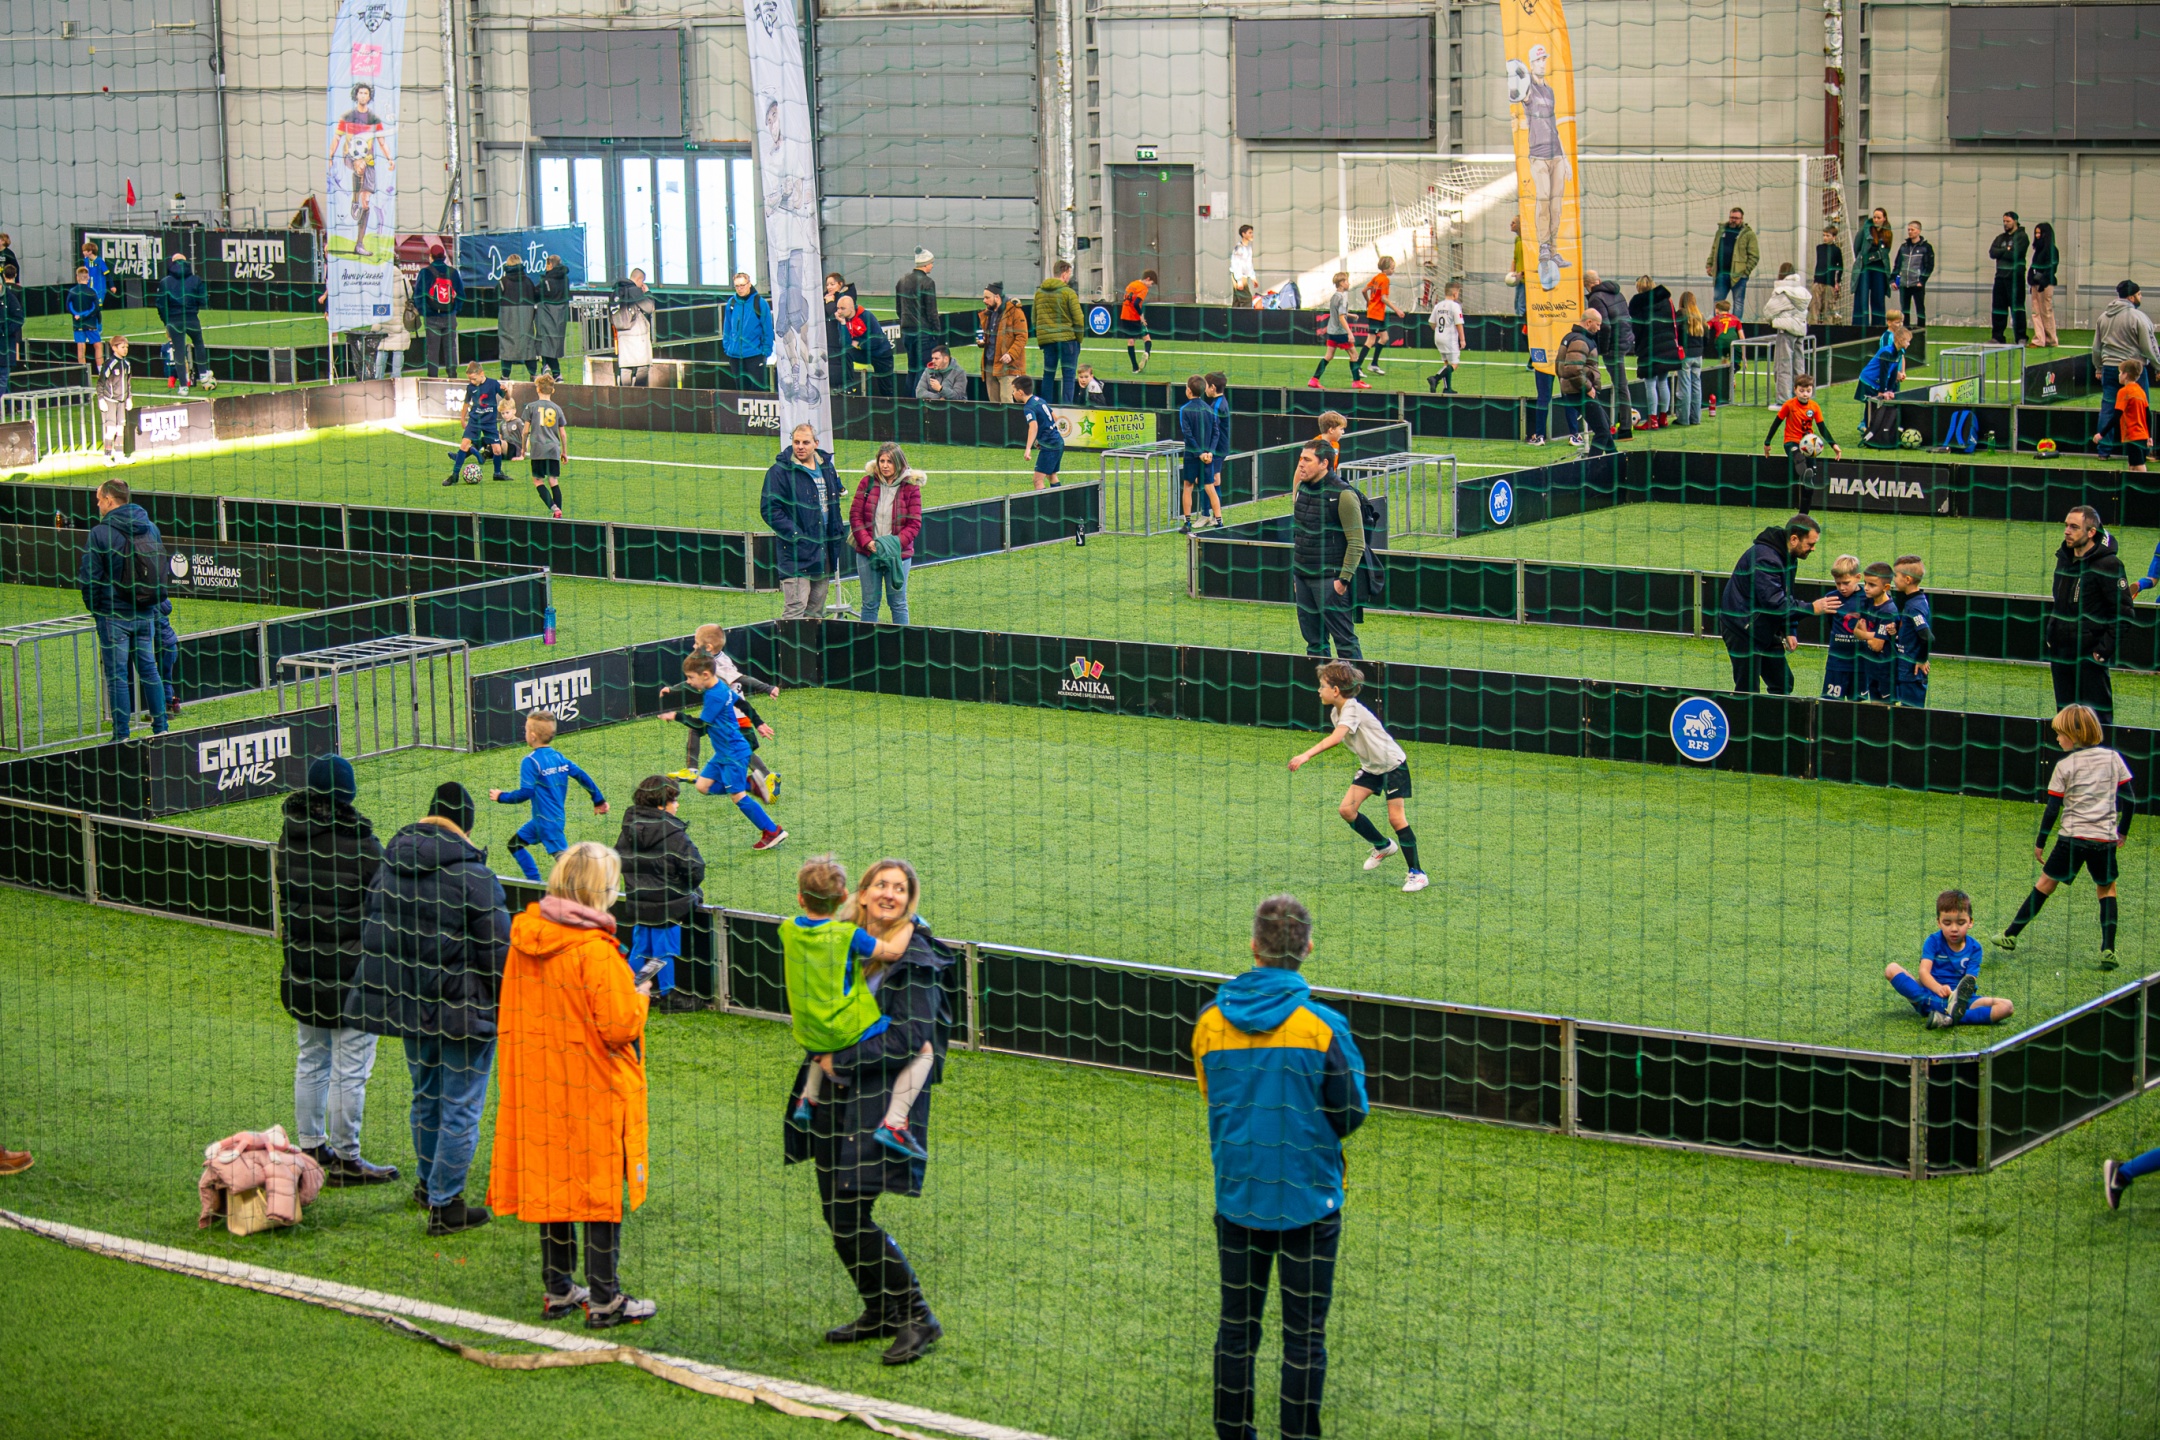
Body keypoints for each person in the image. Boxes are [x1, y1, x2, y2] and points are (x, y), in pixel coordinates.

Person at [1192, 894, 1368, 1440]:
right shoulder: (1324, 1027)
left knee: (1236, 1330)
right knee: (1304, 1339)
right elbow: (1351, 1113)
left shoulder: (1210, 1022)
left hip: (1238, 1196)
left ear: (1253, 946)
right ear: (1308, 948)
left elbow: (1213, 1096)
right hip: (1309, 1201)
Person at [782, 857, 957, 1365]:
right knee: (835, 1213)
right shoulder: (839, 942)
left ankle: (917, 1316)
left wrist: (842, 1060)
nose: (889, 894)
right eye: (881, 884)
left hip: (875, 1104)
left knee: (851, 1213)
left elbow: (910, 1038)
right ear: (859, 894)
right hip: (832, 1097)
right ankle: (880, 1309)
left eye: (900, 888)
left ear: (910, 900)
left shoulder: (917, 959)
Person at [486, 842, 659, 1329]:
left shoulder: (525, 937)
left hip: (541, 1084)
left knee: (554, 1183)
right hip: (591, 1086)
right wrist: (640, 996)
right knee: (599, 1193)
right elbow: (619, 1026)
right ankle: (605, 1300)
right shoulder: (595, 951)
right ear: (599, 889)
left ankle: (558, 1288)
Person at [347, 780, 511, 1236]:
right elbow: (499, 951)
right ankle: (446, 1204)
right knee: (460, 1104)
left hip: (409, 1005)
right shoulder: (475, 876)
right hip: (463, 1011)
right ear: (465, 828)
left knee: (426, 1095)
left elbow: (375, 928)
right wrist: (506, 1004)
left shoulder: (390, 864)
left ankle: (427, 1186)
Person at [278, 754, 399, 1187]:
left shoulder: (289, 836)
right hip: (353, 976)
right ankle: (347, 1159)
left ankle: (312, 1148)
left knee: (311, 1058)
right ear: (348, 795)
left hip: (303, 968)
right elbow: (386, 905)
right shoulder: (363, 845)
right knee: (350, 1068)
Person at [781, 855, 931, 1152]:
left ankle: (808, 1098)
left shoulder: (787, 929)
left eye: (898, 889)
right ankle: (894, 1124)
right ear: (844, 896)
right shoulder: (848, 935)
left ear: (800, 898)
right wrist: (912, 923)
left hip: (807, 1030)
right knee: (922, 1050)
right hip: (845, 1031)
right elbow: (892, 952)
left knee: (821, 1038)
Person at [1995, 704, 2132, 970]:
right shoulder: (2113, 758)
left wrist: (2040, 842)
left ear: (2074, 734)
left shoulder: (2065, 765)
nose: (2057, 738)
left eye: (2060, 733)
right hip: (2104, 840)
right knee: (2107, 890)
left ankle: (2010, 935)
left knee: (2045, 884)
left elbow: (2052, 809)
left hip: (2071, 839)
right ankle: (2108, 949)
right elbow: (2131, 801)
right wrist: (2122, 831)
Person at [1290, 661, 1427, 892]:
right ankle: (1383, 846)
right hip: (1371, 768)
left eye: (1322, 686)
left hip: (1393, 766)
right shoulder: (1336, 712)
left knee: (1396, 819)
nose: (1319, 690)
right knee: (1347, 810)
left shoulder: (1351, 709)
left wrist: (1306, 755)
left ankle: (1418, 873)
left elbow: (1336, 738)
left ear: (1335, 690)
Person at [660, 653, 787, 850]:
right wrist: (759, 723)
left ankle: (772, 831)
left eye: (690, 677)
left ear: (705, 675)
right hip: (722, 753)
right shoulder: (719, 686)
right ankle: (751, 784)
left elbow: (700, 726)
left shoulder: (714, 695)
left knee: (737, 796)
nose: (688, 682)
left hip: (734, 753)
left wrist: (676, 716)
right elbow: (742, 703)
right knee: (702, 786)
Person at [76, 478, 170, 741]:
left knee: (117, 676)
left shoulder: (100, 533)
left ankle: (121, 736)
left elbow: (90, 578)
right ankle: (161, 729)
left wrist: (97, 609)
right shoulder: (150, 527)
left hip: (113, 615)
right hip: (145, 611)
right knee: (149, 670)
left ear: (109, 500)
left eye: (99, 500)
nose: (97, 505)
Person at [1719, 514, 1841, 694]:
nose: (1813, 549)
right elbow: (1774, 603)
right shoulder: (1765, 559)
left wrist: (1789, 630)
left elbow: (1786, 593)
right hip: (1741, 628)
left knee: (1783, 683)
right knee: (1748, 690)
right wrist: (1812, 608)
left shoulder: (1789, 555)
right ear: (1794, 539)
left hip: (1763, 625)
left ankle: (1772, 713)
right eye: (1810, 544)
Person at [616, 776, 706, 1011]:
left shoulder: (628, 828)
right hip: (668, 904)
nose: (677, 805)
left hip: (639, 901)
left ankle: (628, 990)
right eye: (674, 800)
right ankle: (669, 996)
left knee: (640, 947)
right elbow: (695, 869)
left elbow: (618, 859)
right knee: (664, 950)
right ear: (661, 804)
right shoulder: (673, 834)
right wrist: (685, 889)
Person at [490, 709, 608, 883]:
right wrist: (598, 800)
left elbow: (525, 792)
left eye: (525, 730)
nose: (525, 733)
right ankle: (534, 883)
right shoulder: (558, 757)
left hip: (547, 823)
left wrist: (501, 796)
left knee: (568, 867)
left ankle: (591, 883)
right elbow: (582, 776)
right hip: (545, 820)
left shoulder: (530, 761)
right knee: (515, 844)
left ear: (532, 735)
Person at [1885, 890, 2012, 1030]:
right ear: (1939, 922)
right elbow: (1923, 972)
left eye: (1961, 923)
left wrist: (1955, 997)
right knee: (1891, 969)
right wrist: (1938, 988)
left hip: (1962, 1001)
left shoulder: (1975, 948)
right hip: (1930, 995)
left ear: (1970, 922)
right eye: (1947, 923)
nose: (1954, 929)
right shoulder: (1933, 941)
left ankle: (1950, 1018)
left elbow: (1970, 980)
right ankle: (1946, 1012)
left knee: (2006, 1006)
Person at [2046, 506, 2127, 721]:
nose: (2067, 531)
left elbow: (2124, 614)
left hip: (2090, 658)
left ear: (2091, 532)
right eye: (2066, 525)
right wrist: (2052, 635)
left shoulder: (2109, 565)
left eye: (2074, 527)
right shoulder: (2064, 558)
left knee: (2096, 723)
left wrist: (2101, 652)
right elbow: (2059, 603)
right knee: (2065, 722)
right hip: (2061, 655)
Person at [760, 423, 847, 621]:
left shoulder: (827, 467)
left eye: (805, 442)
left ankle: (811, 643)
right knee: (795, 610)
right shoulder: (779, 471)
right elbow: (770, 510)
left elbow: (833, 503)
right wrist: (797, 536)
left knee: (816, 611)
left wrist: (836, 531)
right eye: (796, 442)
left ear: (816, 443)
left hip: (824, 549)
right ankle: (789, 643)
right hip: (795, 551)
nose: (800, 446)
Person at [1290, 442, 1365, 660]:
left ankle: (1355, 682)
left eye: (1307, 460)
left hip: (1330, 581)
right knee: (1314, 643)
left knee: (1345, 642)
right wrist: (1297, 575)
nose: (1301, 464)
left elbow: (1356, 542)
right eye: (1301, 459)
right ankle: (1320, 681)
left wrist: (1343, 580)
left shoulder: (1343, 494)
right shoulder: (1301, 488)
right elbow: (1300, 534)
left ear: (1324, 463)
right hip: (1303, 578)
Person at [849, 442, 923, 624]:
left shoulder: (911, 486)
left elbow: (914, 523)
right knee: (869, 603)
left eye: (890, 461)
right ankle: (868, 641)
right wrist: (867, 542)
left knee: (898, 603)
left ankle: (902, 641)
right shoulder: (867, 482)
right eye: (881, 461)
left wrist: (892, 546)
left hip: (898, 555)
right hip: (867, 553)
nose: (885, 465)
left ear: (899, 462)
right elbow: (855, 515)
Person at [2092, 282, 2160, 461]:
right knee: (2140, 408)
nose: (2141, 297)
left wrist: (2099, 367)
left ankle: (2103, 451)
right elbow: (2149, 346)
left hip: (2109, 368)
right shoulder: (2139, 317)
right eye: (2139, 294)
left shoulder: (2103, 317)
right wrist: (2158, 366)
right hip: (2133, 370)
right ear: (2131, 297)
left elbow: (2096, 348)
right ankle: (2142, 450)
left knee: (2108, 409)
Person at [1763, 374, 1839, 507]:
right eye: (1802, 390)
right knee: (1799, 458)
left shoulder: (1814, 407)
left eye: (1808, 391)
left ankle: (1805, 507)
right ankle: (1805, 477)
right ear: (1795, 390)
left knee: (1812, 474)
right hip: (1791, 442)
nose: (1805, 394)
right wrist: (1767, 443)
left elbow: (1822, 428)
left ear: (1812, 391)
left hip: (1810, 444)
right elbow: (1776, 423)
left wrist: (1834, 445)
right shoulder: (1789, 405)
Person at [1554, 313, 1615, 456]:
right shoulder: (1580, 341)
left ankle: (1616, 460)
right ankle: (1593, 466)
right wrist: (1587, 387)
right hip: (1580, 392)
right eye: (1597, 325)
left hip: (1573, 391)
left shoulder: (1571, 337)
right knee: (1602, 430)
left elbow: (1559, 367)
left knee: (1605, 426)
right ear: (1588, 322)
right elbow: (1573, 369)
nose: (1599, 329)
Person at [441, 360, 507, 486]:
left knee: (497, 449)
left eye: (474, 379)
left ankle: (497, 473)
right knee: (464, 444)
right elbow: (466, 403)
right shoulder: (471, 387)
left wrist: (507, 391)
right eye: (470, 379)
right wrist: (462, 418)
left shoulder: (493, 384)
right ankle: (454, 475)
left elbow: (507, 398)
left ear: (481, 373)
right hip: (475, 420)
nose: (472, 381)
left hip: (489, 422)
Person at [1630, 277, 1682, 427]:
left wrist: (1637, 345)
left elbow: (1637, 328)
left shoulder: (1638, 303)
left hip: (1649, 347)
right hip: (1667, 345)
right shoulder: (1666, 300)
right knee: (1663, 382)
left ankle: (1652, 419)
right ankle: (1663, 417)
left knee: (1650, 384)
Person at [1032, 260, 1086, 404]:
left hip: (1048, 341)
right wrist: (1078, 339)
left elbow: (1034, 318)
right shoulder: (1068, 293)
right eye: (1069, 273)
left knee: (1048, 374)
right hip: (1068, 340)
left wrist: (1043, 336)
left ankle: (1046, 407)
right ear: (1064, 273)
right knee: (1068, 376)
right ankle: (1067, 408)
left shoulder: (1040, 293)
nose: (1069, 277)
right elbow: (1079, 319)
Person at [521, 373, 571, 518]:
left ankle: (554, 508)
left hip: (538, 449)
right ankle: (558, 515)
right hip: (553, 449)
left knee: (537, 480)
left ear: (537, 389)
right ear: (553, 390)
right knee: (553, 480)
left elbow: (525, 431)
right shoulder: (557, 409)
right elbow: (563, 434)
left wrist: (523, 448)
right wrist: (564, 452)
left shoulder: (530, 407)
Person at [1850, 562, 1901, 703]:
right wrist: (1873, 635)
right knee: (1875, 708)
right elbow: (1856, 631)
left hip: (1886, 670)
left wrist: (1865, 634)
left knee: (1886, 709)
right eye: (1865, 583)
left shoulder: (1888, 611)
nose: (1866, 588)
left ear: (1886, 587)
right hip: (1871, 666)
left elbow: (1877, 645)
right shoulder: (1868, 603)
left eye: (1872, 585)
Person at [157, 254, 207, 394]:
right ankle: (203, 374)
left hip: (174, 320)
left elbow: (161, 304)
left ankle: (183, 386)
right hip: (191, 318)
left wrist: (166, 321)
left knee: (179, 352)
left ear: (172, 263)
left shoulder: (165, 282)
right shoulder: (196, 279)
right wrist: (193, 310)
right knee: (199, 343)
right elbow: (203, 300)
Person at [1763, 263, 1812, 407]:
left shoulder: (1782, 291)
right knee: (1799, 365)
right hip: (1800, 329)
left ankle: (1783, 400)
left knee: (1783, 365)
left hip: (1786, 330)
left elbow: (1768, 311)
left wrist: (1773, 320)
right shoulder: (1802, 291)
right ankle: (1802, 396)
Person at [1820, 555, 1865, 701]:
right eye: (1838, 583)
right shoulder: (1831, 598)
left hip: (1860, 665)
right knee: (1831, 704)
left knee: (1857, 706)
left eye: (1846, 583)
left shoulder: (1868, 598)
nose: (1842, 588)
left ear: (1858, 577)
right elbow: (1830, 622)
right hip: (1836, 663)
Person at [1889, 555, 1932, 707]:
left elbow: (1927, 636)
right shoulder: (1914, 600)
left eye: (1896, 575)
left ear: (1907, 579)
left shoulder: (1914, 607)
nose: (1893, 579)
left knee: (1911, 715)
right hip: (1905, 670)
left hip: (1912, 674)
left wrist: (1921, 659)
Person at [415, 244, 463, 379]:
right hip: (449, 316)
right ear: (444, 257)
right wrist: (454, 310)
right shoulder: (453, 272)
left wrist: (425, 312)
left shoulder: (425, 272)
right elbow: (461, 295)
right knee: (451, 348)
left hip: (432, 317)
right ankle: (452, 376)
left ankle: (432, 378)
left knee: (432, 350)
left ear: (431, 256)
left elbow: (418, 295)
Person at [722, 272, 776, 391]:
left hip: (755, 355)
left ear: (749, 284)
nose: (740, 289)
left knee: (757, 392)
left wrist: (765, 352)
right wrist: (727, 347)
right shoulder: (731, 303)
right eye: (737, 286)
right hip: (735, 357)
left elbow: (767, 329)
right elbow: (727, 327)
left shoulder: (760, 303)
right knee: (740, 392)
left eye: (742, 285)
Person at [2095, 357, 2149, 474]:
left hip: (2133, 434)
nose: (2119, 375)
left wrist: (2101, 434)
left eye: (2120, 373)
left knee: (2138, 465)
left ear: (2126, 375)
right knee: (2133, 465)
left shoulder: (2124, 392)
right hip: (2142, 434)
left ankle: (2146, 483)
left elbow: (2116, 416)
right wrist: (2149, 436)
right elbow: (2148, 414)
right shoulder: (2141, 391)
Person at [1179, 377, 1219, 533]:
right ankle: (1218, 520)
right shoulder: (1209, 409)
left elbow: (1187, 434)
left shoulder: (1185, 410)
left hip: (1192, 454)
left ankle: (1187, 523)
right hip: (1208, 456)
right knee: (1210, 486)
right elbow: (1216, 432)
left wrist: (1199, 453)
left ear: (1189, 390)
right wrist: (1210, 452)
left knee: (1188, 486)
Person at [977, 282, 1028, 404]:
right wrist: (983, 341)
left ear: (997, 297)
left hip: (1008, 366)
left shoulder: (1015, 312)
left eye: (987, 297)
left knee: (1006, 401)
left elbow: (1022, 337)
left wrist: (1011, 354)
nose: (984, 301)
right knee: (994, 403)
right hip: (990, 365)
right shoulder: (988, 314)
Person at [1704, 206, 1760, 317]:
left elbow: (1754, 256)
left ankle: (1735, 326)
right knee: (1718, 302)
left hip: (1738, 275)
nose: (1733, 220)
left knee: (1738, 303)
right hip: (1721, 274)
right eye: (1731, 217)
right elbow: (1714, 250)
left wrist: (1745, 271)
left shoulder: (1748, 234)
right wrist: (1709, 265)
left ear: (1741, 219)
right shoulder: (1721, 231)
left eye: (1736, 218)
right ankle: (1718, 325)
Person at [1311, 272, 1363, 390]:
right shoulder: (1343, 298)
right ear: (1342, 283)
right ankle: (1356, 381)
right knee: (1354, 355)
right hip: (1340, 332)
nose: (1349, 283)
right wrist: (1349, 333)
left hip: (1331, 331)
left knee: (1329, 356)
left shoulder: (1335, 296)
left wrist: (1350, 315)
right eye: (1347, 281)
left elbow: (1337, 312)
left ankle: (1314, 380)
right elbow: (1341, 317)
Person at [836, 294, 894, 393]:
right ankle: (848, 387)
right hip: (865, 354)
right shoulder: (842, 320)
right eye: (838, 308)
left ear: (851, 308)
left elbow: (877, 339)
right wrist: (842, 323)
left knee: (886, 389)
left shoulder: (866, 316)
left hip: (881, 354)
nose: (839, 311)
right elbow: (845, 344)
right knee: (845, 352)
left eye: (842, 308)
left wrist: (859, 344)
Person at [494, 254, 540, 380]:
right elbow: (535, 298)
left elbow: (495, 301)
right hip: (525, 320)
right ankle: (533, 374)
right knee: (528, 347)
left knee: (507, 347)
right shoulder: (528, 281)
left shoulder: (502, 282)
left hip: (507, 320)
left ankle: (505, 376)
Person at [894, 249, 938, 376]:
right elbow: (931, 311)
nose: (932, 265)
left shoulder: (902, 280)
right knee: (923, 371)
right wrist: (936, 331)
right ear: (925, 264)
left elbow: (899, 308)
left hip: (907, 331)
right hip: (923, 332)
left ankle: (909, 390)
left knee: (912, 369)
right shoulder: (928, 282)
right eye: (931, 263)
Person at [1990, 211, 2030, 345]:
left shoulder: (2022, 237)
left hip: (2015, 278)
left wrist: (2003, 253)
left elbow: (2015, 254)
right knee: (1998, 309)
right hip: (2000, 277)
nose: (2005, 224)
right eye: (2004, 221)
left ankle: (2021, 337)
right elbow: (1992, 252)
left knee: (2017, 309)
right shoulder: (2000, 238)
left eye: (2008, 221)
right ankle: (1997, 337)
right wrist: (2005, 250)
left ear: (2015, 221)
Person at [1017, 375, 1063, 490]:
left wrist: (1028, 449)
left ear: (1020, 392)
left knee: (1037, 480)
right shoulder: (1039, 400)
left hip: (1050, 445)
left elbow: (1033, 427)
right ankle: (1058, 499)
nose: (1013, 394)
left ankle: (1045, 502)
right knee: (1051, 475)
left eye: (1014, 390)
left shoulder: (1028, 407)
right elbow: (1055, 418)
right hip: (1058, 441)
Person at [612, 269, 657, 386]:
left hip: (622, 334)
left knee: (626, 367)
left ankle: (624, 394)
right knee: (643, 367)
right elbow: (649, 308)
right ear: (639, 279)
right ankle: (639, 394)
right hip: (637, 334)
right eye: (642, 282)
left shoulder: (616, 291)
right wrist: (648, 293)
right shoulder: (634, 290)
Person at [1854, 313, 1910, 402]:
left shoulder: (1899, 352)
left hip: (1881, 380)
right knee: (1872, 406)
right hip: (1869, 380)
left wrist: (1890, 390)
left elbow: (1893, 370)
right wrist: (1882, 391)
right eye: (1907, 341)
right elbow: (1884, 371)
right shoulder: (1887, 351)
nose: (1909, 344)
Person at [1852, 210, 1893, 329]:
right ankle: (1860, 326)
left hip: (1879, 268)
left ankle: (1878, 326)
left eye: (1879, 218)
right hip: (1865, 267)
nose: (1876, 220)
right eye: (1874, 217)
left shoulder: (1888, 232)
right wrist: (1863, 259)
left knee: (1878, 298)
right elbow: (1857, 247)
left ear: (1884, 218)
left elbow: (1887, 250)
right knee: (1862, 298)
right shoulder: (1865, 231)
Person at [1359, 257, 1400, 376]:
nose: (1393, 270)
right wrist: (1397, 310)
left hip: (1377, 313)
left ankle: (1374, 364)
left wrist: (1368, 302)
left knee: (1384, 338)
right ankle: (1357, 366)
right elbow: (1383, 299)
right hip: (1375, 313)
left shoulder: (1376, 277)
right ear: (1386, 269)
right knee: (1370, 340)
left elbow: (1364, 290)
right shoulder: (1385, 279)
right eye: (1392, 268)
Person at [1890, 222, 1934, 332]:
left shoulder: (1926, 248)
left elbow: (1929, 266)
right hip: (1904, 283)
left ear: (1919, 231)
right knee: (1905, 310)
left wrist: (1922, 281)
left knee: (1920, 309)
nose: (1910, 232)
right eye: (1909, 230)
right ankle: (1905, 331)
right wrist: (1894, 280)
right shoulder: (1903, 247)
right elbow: (1897, 265)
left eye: (1912, 230)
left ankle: (1921, 331)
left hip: (1917, 284)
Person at [534, 254, 572, 380]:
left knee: (546, 342)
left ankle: (554, 372)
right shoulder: (565, 279)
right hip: (560, 317)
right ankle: (549, 368)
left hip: (547, 315)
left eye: (546, 264)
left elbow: (536, 293)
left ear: (550, 264)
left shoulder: (546, 281)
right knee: (550, 344)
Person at [373, 263, 413, 380]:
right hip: (399, 320)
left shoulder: (378, 280)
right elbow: (409, 295)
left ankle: (378, 377)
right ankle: (396, 377)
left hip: (383, 319)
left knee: (382, 348)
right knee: (398, 349)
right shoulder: (404, 280)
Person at [97, 336, 132, 466]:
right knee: (111, 430)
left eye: (126, 347)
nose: (125, 350)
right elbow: (100, 383)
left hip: (121, 401)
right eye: (122, 347)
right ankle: (107, 457)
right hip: (110, 401)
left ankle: (119, 456)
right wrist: (101, 399)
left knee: (120, 429)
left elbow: (128, 383)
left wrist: (129, 398)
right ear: (114, 348)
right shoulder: (109, 363)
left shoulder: (127, 364)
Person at [1426, 280, 1465, 394]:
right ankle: (1435, 378)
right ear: (1455, 294)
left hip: (1438, 337)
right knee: (1454, 364)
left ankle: (1447, 388)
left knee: (1446, 364)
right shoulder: (1455, 306)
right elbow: (1459, 323)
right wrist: (1462, 339)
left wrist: (1438, 329)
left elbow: (1432, 323)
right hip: (1450, 339)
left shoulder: (1438, 305)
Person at [1675, 291, 1706, 426]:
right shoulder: (1700, 316)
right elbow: (1706, 336)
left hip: (1685, 354)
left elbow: (1676, 333)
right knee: (1696, 386)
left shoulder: (1681, 314)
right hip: (1698, 355)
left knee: (1684, 387)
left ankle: (1683, 419)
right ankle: (1696, 418)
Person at [2028, 222, 2060, 348]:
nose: (2037, 235)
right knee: (2035, 311)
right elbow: (2033, 267)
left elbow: (2052, 268)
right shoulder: (2037, 250)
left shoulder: (2052, 250)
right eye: (2036, 233)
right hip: (2035, 284)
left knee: (2046, 311)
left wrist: (2043, 281)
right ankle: (2039, 340)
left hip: (2046, 284)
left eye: (2039, 233)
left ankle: (2051, 339)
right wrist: (2031, 279)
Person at [67, 264, 102, 377]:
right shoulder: (92, 291)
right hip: (90, 323)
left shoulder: (72, 291)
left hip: (78, 324)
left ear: (77, 277)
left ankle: (84, 374)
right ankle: (101, 371)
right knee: (98, 346)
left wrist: (77, 315)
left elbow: (68, 306)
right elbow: (96, 308)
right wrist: (96, 321)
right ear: (88, 278)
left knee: (81, 348)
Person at [1119, 269, 1156, 372]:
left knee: (1131, 341)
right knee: (1147, 338)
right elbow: (1136, 303)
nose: (1151, 286)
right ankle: (1147, 352)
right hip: (1134, 317)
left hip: (1124, 315)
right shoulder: (1143, 288)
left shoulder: (1131, 284)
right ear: (1147, 279)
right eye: (1151, 283)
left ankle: (1135, 368)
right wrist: (1141, 316)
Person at [1207, 371, 1232, 512]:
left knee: (1213, 480)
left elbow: (1214, 429)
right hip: (1221, 446)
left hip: (1217, 448)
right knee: (1214, 479)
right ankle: (1213, 514)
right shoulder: (1221, 401)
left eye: (1206, 386)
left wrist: (1209, 450)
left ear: (1212, 387)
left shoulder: (1216, 406)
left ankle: (1214, 515)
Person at [1809, 228, 1845, 325]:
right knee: (1814, 305)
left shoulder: (1836, 250)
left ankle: (1828, 326)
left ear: (1834, 237)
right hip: (1818, 281)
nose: (1825, 238)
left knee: (1828, 307)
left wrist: (1838, 281)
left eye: (1828, 236)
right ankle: (1813, 325)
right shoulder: (1819, 248)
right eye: (1824, 235)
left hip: (1830, 283)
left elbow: (1840, 267)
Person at [1231, 225, 1259, 308]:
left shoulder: (1248, 248)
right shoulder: (1239, 248)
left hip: (1244, 276)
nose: (1252, 235)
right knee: (1246, 299)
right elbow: (1236, 264)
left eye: (1252, 233)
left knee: (1237, 300)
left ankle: (1233, 315)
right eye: (1249, 233)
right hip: (1239, 275)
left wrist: (1253, 277)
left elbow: (1249, 264)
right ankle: (1246, 315)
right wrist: (1239, 280)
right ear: (1243, 234)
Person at [1508, 216, 1527, 318]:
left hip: (1526, 280)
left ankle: (1523, 326)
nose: (1511, 224)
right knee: (1517, 304)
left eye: (1513, 222)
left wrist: (1522, 273)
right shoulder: (1517, 239)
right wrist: (1511, 273)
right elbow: (1515, 259)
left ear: (1520, 225)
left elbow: (1533, 262)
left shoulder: (1528, 241)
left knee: (1522, 306)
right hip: (1519, 279)